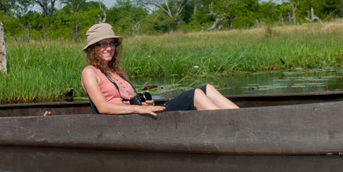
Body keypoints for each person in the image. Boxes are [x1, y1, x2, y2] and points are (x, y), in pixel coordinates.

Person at [80, 22, 239, 116]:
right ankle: (230, 126)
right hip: (125, 122)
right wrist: (137, 109)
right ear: (93, 48)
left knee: (207, 89)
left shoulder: (115, 72)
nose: (109, 48)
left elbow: (128, 101)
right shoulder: (90, 72)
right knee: (195, 95)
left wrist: (145, 104)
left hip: (137, 115)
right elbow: (102, 107)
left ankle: (242, 120)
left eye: (111, 43)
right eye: (103, 44)